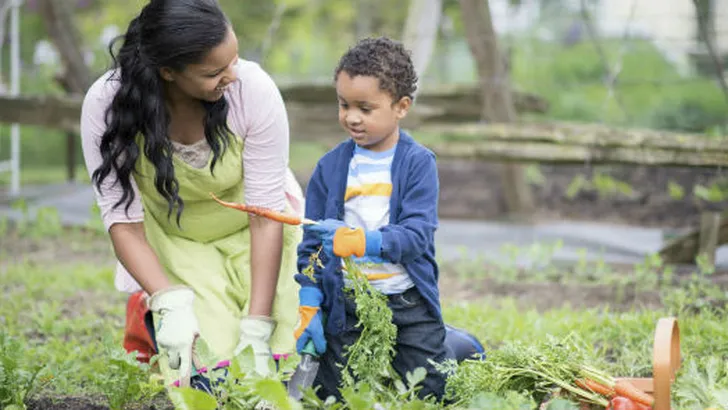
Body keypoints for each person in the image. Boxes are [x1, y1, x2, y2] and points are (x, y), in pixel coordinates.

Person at [79, 0, 303, 387]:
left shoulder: (253, 91)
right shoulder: (107, 106)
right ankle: (150, 310)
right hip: (179, 240)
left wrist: (258, 327)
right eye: (214, 71)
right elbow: (122, 221)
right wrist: (170, 301)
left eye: (234, 60)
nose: (232, 75)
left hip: (262, 236)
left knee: (292, 360)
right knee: (214, 370)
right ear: (168, 72)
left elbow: (265, 217)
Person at [293, 36, 460, 402]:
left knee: (433, 388)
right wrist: (309, 300)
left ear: (401, 107)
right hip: (350, 301)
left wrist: (363, 241)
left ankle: (457, 346)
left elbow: (417, 235)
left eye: (365, 108)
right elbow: (311, 241)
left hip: (407, 300)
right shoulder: (330, 167)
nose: (351, 117)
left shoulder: (417, 163)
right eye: (344, 104)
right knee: (332, 393)